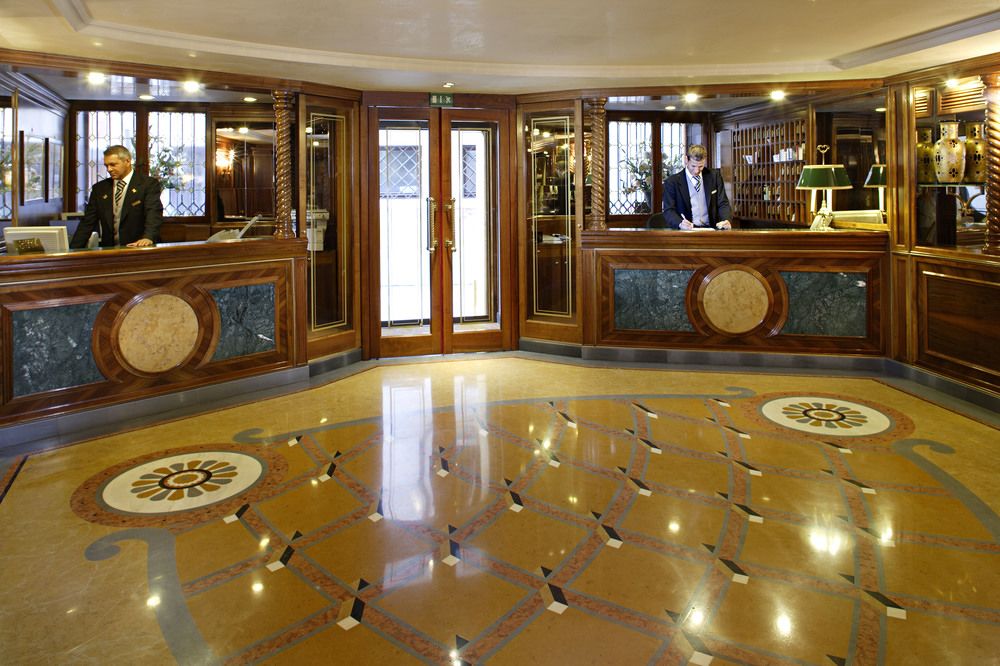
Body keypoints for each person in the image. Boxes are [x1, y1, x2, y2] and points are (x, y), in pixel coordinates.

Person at [70, 145, 163, 248]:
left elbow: (153, 213)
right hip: (110, 250)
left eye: (113, 165)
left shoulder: (148, 184)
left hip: (138, 247)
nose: (109, 169)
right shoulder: (99, 189)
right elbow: (87, 223)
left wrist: (148, 237)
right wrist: (72, 250)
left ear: (127, 161)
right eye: (106, 165)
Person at [661, 144, 732, 230]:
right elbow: (669, 210)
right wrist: (680, 223)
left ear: (704, 161)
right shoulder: (672, 182)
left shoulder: (714, 176)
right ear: (686, 160)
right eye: (693, 166)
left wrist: (726, 220)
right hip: (686, 230)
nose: (696, 171)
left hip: (711, 229)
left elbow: (723, 203)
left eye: (700, 166)